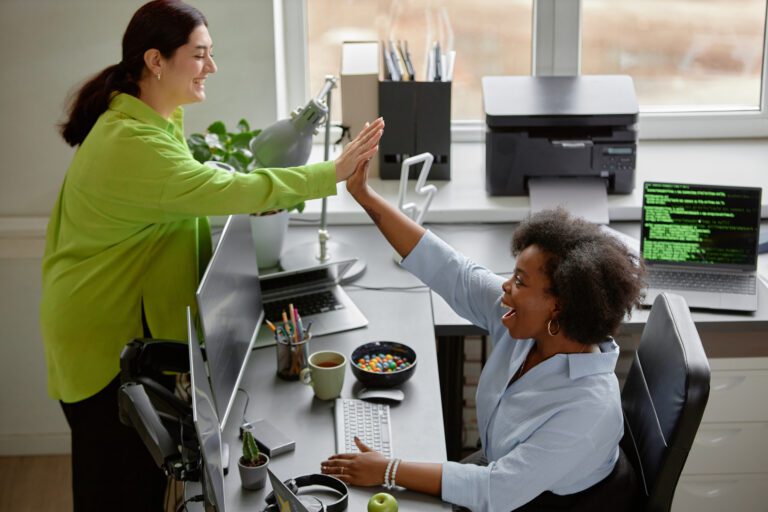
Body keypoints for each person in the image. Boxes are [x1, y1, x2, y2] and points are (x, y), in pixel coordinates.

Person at [39, 1, 383, 510]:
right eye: (199, 55)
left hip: (121, 328)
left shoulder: (153, 122)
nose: (211, 67)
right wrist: (329, 173)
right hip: (100, 342)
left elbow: (185, 201)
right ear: (156, 61)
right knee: (117, 487)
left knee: (141, 479)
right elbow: (217, 189)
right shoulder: (131, 141)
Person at [321, 160, 645, 511]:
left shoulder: (588, 409)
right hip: (501, 471)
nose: (506, 287)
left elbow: (497, 490)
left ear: (559, 305)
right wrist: (364, 195)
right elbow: (451, 270)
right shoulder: (527, 323)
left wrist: (389, 469)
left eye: (520, 281)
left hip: (546, 501)